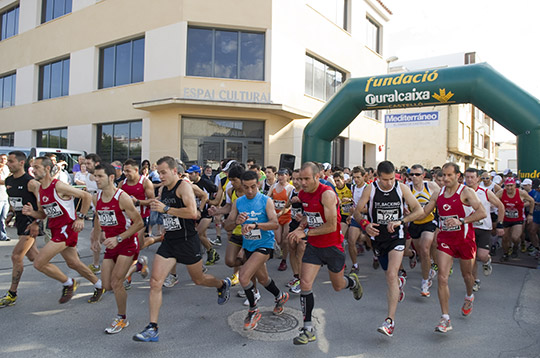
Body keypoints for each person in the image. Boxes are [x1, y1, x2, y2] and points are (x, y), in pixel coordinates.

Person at [133, 156, 231, 342]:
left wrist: (166, 210)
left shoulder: (183, 186)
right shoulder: (163, 189)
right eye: (158, 172)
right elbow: (159, 206)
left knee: (199, 279)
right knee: (155, 282)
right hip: (170, 242)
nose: (160, 176)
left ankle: (222, 284)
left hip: (187, 241)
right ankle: (152, 328)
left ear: (174, 171)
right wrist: (139, 203)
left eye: (163, 172)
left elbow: (192, 212)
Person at [287, 162, 363, 346]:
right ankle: (308, 329)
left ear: (317, 177)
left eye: (306, 179)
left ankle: (352, 282)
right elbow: (310, 215)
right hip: (313, 246)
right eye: (299, 179)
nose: (302, 183)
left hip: (332, 246)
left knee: (338, 286)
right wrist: (301, 225)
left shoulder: (327, 194)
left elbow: (331, 226)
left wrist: (304, 233)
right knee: (305, 283)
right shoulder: (303, 194)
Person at [354, 160, 424, 337]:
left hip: (396, 236)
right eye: (385, 180)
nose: (389, 183)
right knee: (388, 274)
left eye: (392, 178)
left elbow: (419, 210)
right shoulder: (370, 189)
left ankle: (390, 321)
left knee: (391, 274)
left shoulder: (402, 188)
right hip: (378, 238)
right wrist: (365, 224)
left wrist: (401, 221)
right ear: (377, 177)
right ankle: (399, 284)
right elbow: (357, 211)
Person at [23, 156, 104, 304]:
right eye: (32, 167)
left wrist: (80, 217)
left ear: (47, 168)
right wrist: (31, 213)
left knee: (39, 263)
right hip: (55, 229)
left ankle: (68, 283)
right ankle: (99, 285)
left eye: (36, 167)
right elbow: (43, 214)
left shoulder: (58, 186)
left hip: (67, 229)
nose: (33, 170)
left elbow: (86, 196)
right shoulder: (40, 189)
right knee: (73, 263)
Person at [422, 163, 487, 333]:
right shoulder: (438, 193)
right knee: (442, 278)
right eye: (443, 175)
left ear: (458, 176)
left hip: (465, 240)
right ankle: (445, 318)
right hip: (445, 240)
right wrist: (403, 218)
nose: (446, 178)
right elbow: (424, 211)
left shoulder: (466, 192)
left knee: (467, 275)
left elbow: (482, 213)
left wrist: (462, 221)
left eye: (450, 175)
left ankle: (469, 296)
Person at [224, 170, 290, 330]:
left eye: (253, 186)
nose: (250, 191)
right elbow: (228, 225)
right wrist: (236, 222)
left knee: (244, 277)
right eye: (246, 187)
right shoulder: (238, 202)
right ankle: (280, 296)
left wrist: (256, 225)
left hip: (264, 244)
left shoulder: (266, 200)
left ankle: (253, 310)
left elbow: (274, 224)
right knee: (263, 279)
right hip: (249, 246)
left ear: (259, 184)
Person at [93, 163, 144, 333]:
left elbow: (139, 223)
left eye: (100, 176)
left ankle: (122, 318)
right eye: (95, 176)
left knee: (116, 283)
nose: (96, 179)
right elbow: (98, 217)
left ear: (111, 177)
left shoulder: (122, 197)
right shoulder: (96, 197)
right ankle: (137, 267)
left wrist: (119, 237)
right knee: (107, 285)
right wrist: (97, 235)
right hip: (111, 244)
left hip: (127, 242)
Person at [0, 151, 41, 307]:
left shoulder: (31, 182)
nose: (8, 164)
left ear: (21, 163)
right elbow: (14, 201)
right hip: (21, 222)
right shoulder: (9, 180)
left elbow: (41, 205)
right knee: (36, 259)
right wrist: (11, 214)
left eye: (11, 161)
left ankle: (12, 293)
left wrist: (36, 222)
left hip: (31, 223)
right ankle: (66, 280)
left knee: (16, 256)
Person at [464, 168, 504, 292]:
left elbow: (500, 206)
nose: (469, 180)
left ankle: (487, 261)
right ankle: (475, 280)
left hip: (484, 228)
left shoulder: (485, 192)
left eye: (472, 177)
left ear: (478, 179)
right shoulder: (462, 192)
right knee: (472, 258)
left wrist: (500, 225)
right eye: (467, 177)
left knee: (482, 255)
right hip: (468, 228)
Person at [407, 164, 440, 298]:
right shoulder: (407, 188)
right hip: (414, 223)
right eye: (412, 174)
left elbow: (443, 198)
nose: (414, 177)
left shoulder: (431, 186)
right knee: (421, 251)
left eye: (417, 174)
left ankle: (425, 282)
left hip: (429, 221)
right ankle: (428, 265)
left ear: (423, 175)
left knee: (425, 248)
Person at [186, 165, 220, 266]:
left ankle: (211, 251)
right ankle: (210, 255)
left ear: (197, 173)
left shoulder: (205, 182)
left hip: (206, 213)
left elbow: (218, 190)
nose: (190, 176)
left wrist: (214, 203)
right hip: (197, 214)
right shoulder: (191, 185)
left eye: (191, 174)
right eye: (189, 174)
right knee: (203, 235)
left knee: (198, 234)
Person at [496, 177, 534, 261]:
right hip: (505, 219)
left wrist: (530, 214)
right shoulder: (501, 192)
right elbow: (492, 200)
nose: (509, 188)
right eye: (507, 186)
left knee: (515, 237)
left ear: (515, 185)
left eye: (511, 186)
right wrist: (498, 207)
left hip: (518, 219)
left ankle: (516, 247)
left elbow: (532, 201)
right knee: (505, 238)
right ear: (504, 186)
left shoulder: (521, 193)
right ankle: (505, 254)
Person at [268, 168, 294, 271]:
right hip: (276, 216)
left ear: (288, 176)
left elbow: (290, 205)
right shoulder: (274, 186)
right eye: (279, 175)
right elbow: (267, 198)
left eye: (283, 175)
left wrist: (281, 213)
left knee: (285, 239)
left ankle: (284, 261)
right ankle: (282, 251)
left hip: (287, 216)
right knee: (278, 240)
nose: (280, 177)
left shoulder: (290, 188)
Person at [285, 169, 306, 294]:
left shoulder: (306, 192)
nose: (296, 181)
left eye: (299, 179)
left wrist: (301, 202)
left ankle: (303, 281)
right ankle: (296, 276)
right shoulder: (292, 191)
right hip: (293, 224)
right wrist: (290, 202)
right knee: (291, 249)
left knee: (301, 251)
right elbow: (287, 205)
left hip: (304, 226)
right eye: (294, 179)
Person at [0, 153, 10, 241]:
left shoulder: (7, 168)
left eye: (5, 159)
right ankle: (3, 235)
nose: (3, 161)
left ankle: (2, 234)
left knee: (3, 217)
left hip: (5, 196)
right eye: (1, 159)